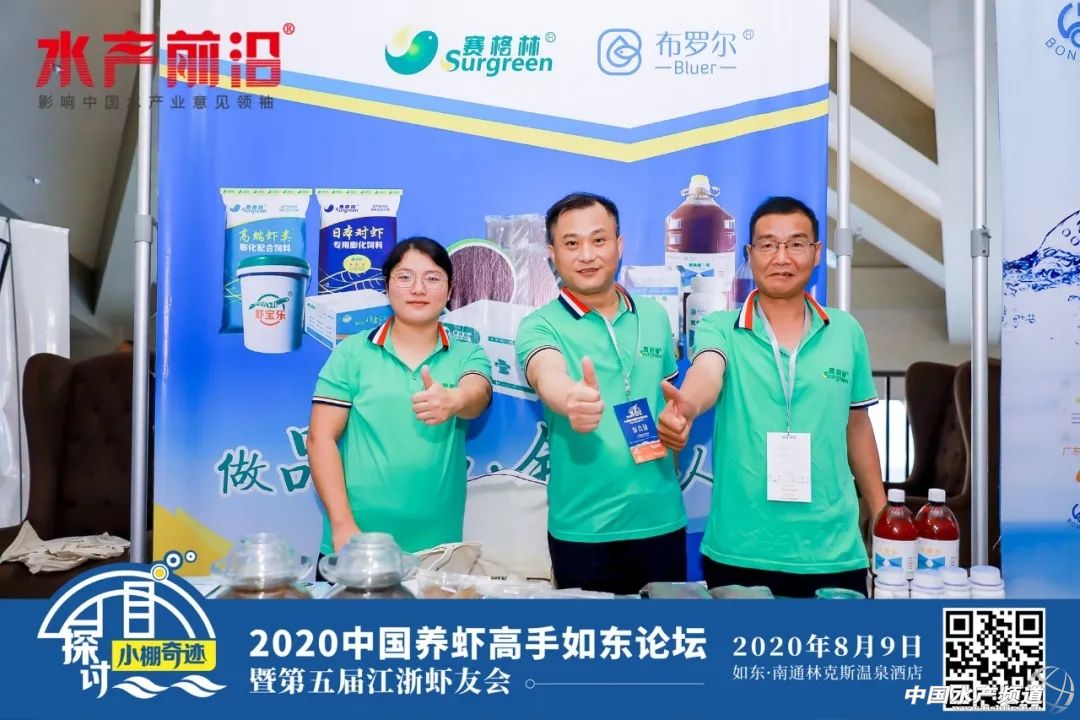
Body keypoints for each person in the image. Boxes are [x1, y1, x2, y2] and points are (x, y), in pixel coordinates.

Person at [657, 196, 886, 598]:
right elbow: (707, 370)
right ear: (749, 254)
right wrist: (687, 405)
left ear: (816, 253)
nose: (782, 257)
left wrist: (881, 511)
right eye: (767, 245)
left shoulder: (846, 331)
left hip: (832, 552)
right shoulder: (720, 327)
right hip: (740, 550)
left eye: (796, 244)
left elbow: (857, 426)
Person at [515, 192, 687, 595]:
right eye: (571, 243)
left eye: (599, 240)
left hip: (662, 521)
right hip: (583, 530)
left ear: (619, 245)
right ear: (552, 254)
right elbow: (546, 372)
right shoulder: (539, 325)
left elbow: (668, 398)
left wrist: (678, 425)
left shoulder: (654, 316)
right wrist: (569, 398)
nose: (587, 255)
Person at [308, 237, 492, 566]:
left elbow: (477, 394)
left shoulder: (468, 353)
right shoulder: (351, 353)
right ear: (387, 286)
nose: (418, 289)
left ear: (449, 290)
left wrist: (454, 399)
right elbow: (320, 438)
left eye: (432, 278)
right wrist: (342, 525)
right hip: (357, 542)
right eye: (405, 277)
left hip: (439, 549)